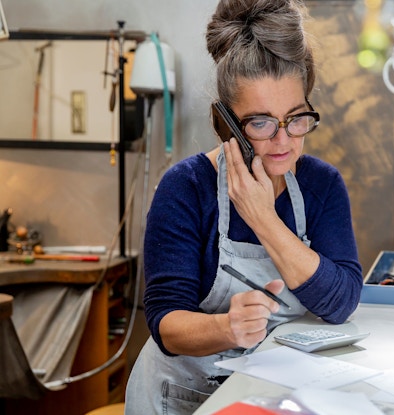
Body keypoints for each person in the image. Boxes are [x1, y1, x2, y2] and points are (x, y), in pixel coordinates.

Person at [124, 0, 363, 413]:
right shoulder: (184, 189)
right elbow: (167, 325)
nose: (284, 140)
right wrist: (226, 327)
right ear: (226, 124)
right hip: (179, 397)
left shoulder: (322, 185)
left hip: (273, 394)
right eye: (260, 122)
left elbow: (340, 303)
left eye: (296, 117)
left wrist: (262, 218)